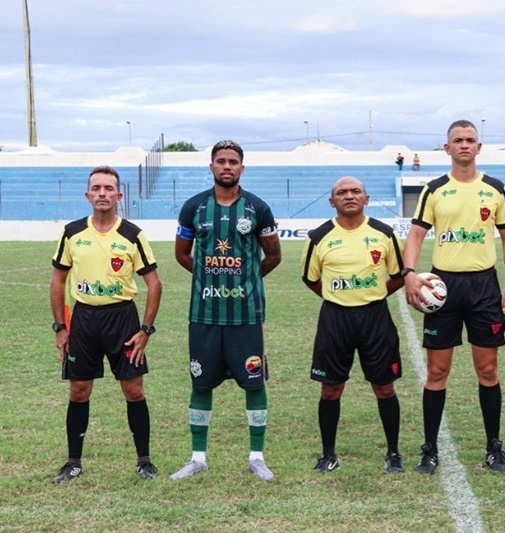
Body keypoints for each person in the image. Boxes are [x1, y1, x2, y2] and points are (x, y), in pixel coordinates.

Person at [403, 119, 505, 474]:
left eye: (470, 140)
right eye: (458, 140)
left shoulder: (495, 189)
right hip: (444, 288)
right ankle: (429, 449)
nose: (465, 145)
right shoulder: (434, 189)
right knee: (437, 371)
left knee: (487, 368)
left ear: (479, 147)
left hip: (485, 286)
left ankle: (494, 447)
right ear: (447, 147)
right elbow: (417, 235)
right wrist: (409, 274)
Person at [171, 140, 282, 481]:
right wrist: (210, 277)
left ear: (242, 168)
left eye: (233, 161)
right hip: (204, 315)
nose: (227, 166)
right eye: (221, 161)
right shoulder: (194, 207)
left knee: (254, 383)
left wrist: (248, 280)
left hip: (246, 317)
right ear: (211, 167)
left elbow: (273, 256)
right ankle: (198, 458)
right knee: (201, 384)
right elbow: (182, 254)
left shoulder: (257, 209)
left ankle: (257, 457)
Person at [50, 165, 163, 483]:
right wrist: (60, 327)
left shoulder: (131, 234)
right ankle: (73, 463)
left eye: (108, 188)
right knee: (79, 390)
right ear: (87, 195)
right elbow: (58, 281)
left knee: (134, 390)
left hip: (122, 319)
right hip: (84, 320)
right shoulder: (72, 233)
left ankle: (144, 461)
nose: (102, 193)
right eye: (96, 188)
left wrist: (146, 329)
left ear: (119, 195)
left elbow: (154, 284)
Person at [301, 176, 406, 474]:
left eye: (355, 191)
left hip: (376, 317)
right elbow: (311, 279)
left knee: (384, 387)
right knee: (331, 389)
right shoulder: (318, 236)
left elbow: (398, 275)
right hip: (335, 319)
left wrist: (371, 295)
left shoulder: (384, 233)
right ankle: (328, 454)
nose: (349, 196)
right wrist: (339, 298)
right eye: (342, 192)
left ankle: (393, 453)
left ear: (367, 198)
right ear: (332, 201)